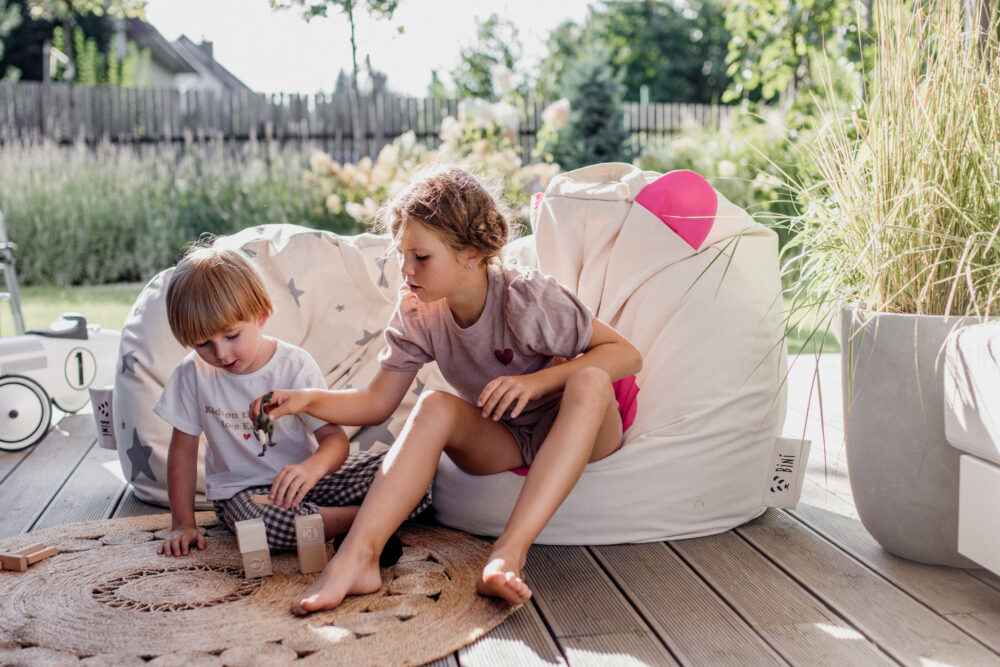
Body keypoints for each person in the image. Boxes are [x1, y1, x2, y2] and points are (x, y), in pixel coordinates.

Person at [253, 166, 642, 615]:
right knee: (434, 404)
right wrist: (308, 400)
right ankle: (358, 558)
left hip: (582, 427)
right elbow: (378, 402)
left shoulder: (527, 299)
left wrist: (536, 382)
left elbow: (625, 354)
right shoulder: (421, 312)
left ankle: (506, 555)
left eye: (421, 257)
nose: (407, 271)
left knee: (589, 378)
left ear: (472, 254)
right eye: (402, 255)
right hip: (509, 439)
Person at [154, 244, 427, 560]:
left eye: (231, 336)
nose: (221, 354)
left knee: (408, 469)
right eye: (203, 344)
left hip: (308, 481)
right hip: (244, 496)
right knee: (261, 527)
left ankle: (345, 517)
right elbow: (183, 452)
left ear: (261, 315)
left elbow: (334, 442)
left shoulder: (293, 365)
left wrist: (310, 470)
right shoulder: (192, 374)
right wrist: (182, 523)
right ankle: (370, 519)